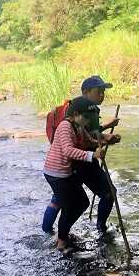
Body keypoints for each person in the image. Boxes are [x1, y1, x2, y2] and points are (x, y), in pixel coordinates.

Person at [42, 75, 121, 233]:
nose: (102, 95)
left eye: (103, 91)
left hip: (68, 166)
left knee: (60, 200)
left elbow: (90, 135)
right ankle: (100, 229)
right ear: (85, 92)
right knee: (108, 193)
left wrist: (104, 137)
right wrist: (101, 144)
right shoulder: (80, 114)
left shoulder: (80, 110)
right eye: (98, 91)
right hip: (80, 163)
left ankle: (47, 231)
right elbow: (84, 141)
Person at [43, 96, 107, 253]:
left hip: (65, 172)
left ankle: (62, 235)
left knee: (81, 203)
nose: (87, 121)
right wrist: (92, 156)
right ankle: (61, 242)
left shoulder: (78, 126)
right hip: (56, 173)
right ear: (76, 114)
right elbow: (68, 150)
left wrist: (101, 140)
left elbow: (88, 140)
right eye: (85, 117)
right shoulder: (65, 126)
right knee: (71, 206)